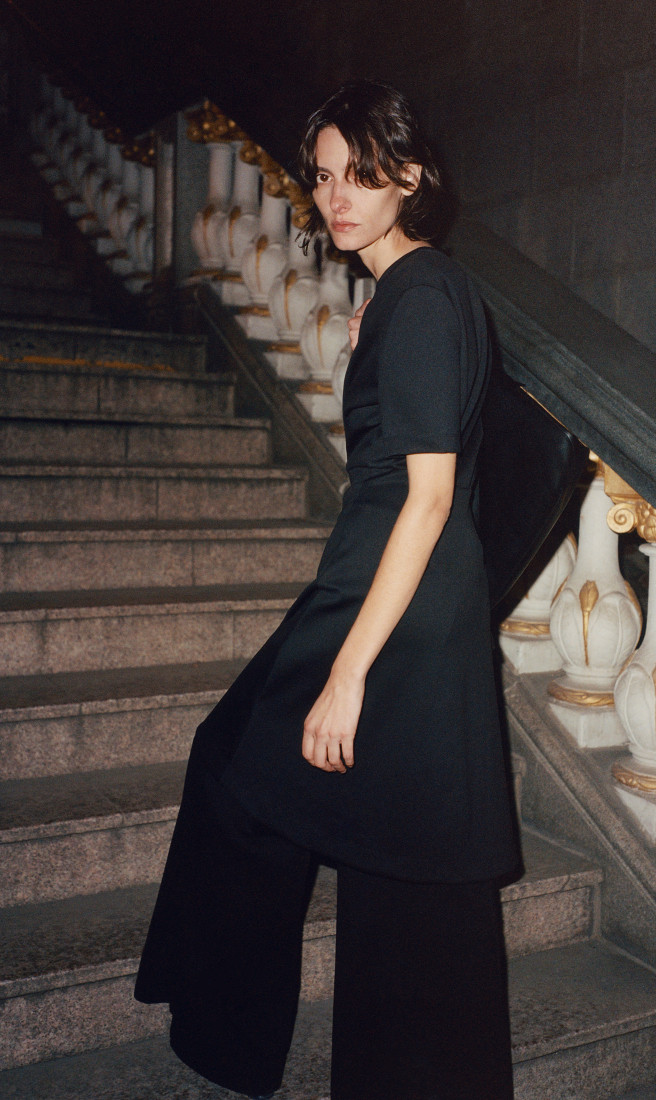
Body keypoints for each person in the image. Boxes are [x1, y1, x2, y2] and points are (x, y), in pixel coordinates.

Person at [135, 80, 520, 1100]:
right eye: (322, 176)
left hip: (392, 600)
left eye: (362, 174)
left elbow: (426, 500)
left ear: (410, 177)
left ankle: (230, 1030)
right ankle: (233, 1030)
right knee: (354, 828)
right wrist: (370, 353)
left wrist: (348, 673)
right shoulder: (410, 295)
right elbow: (401, 466)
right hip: (379, 580)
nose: (336, 196)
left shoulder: (424, 297)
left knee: (277, 791)